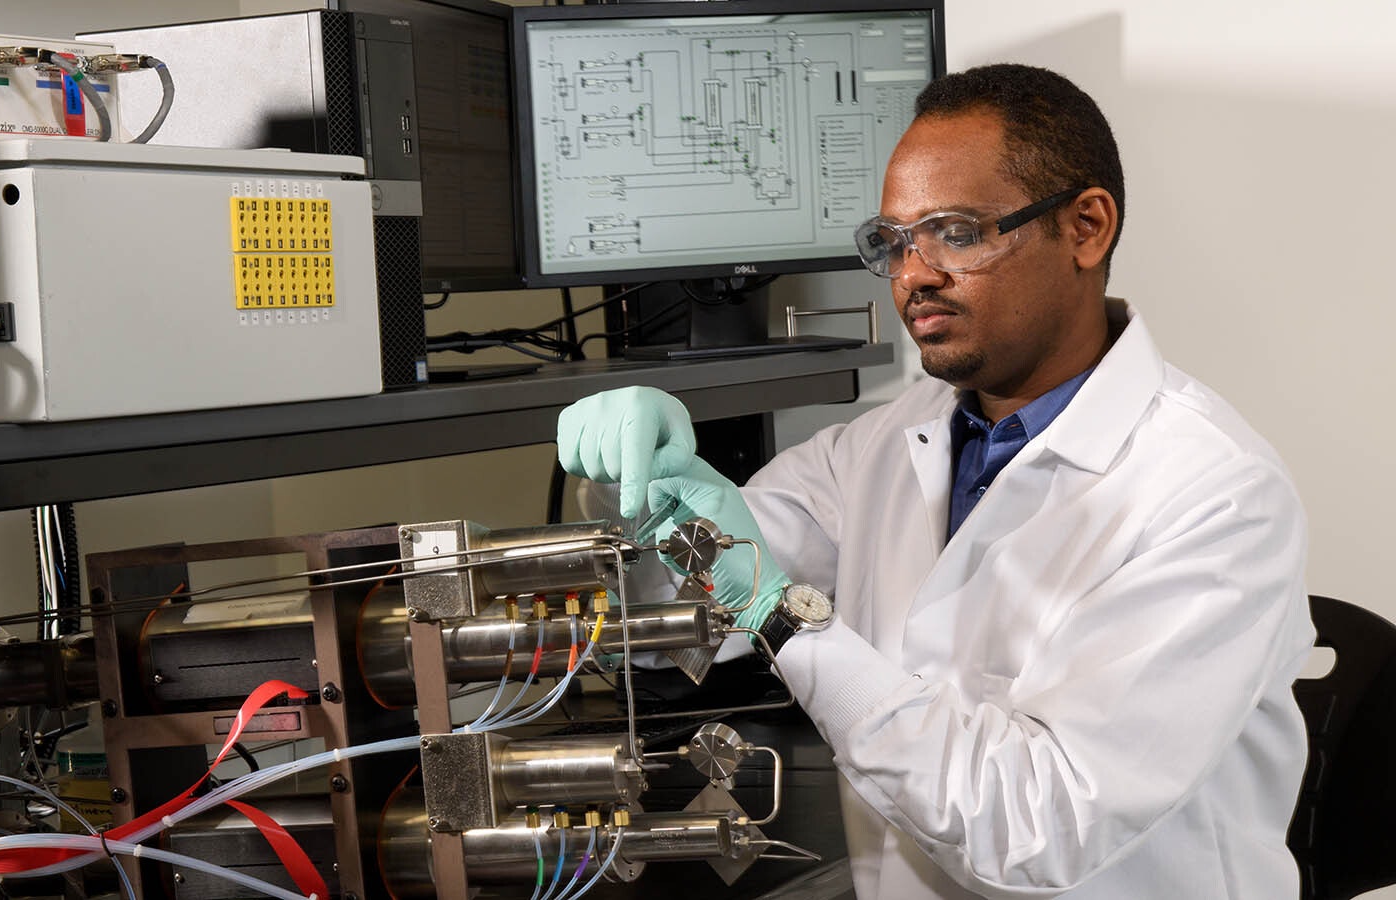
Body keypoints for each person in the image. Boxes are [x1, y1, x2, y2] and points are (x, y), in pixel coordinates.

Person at [557, 64, 1313, 899]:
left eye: (955, 232)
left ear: (1087, 227)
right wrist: (635, 489)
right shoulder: (880, 445)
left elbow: (1037, 828)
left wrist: (783, 614)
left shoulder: (1214, 493)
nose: (912, 273)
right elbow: (677, 615)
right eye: (893, 240)